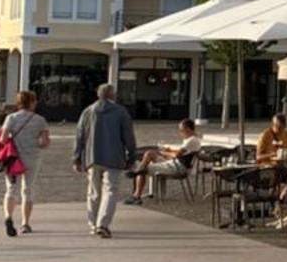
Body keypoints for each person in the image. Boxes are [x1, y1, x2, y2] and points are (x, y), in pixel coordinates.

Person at [72, 83, 137, 239]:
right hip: (114, 157)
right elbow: (128, 136)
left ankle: (93, 224)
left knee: (93, 191)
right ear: (112, 95)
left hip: (92, 157)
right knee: (110, 190)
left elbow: (79, 135)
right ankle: (103, 224)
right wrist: (132, 156)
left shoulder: (88, 111)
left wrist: (76, 158)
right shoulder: (121, 112)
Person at [0, 89, 50, 237]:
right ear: (32, 102)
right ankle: (25, 223)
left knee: (11, 189)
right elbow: (45, 142)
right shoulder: (40, 120)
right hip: (32, 157)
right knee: (28, 189)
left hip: (13, 158)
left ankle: (8, 217)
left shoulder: (11, 118)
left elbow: (3, 139)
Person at [126, 118, 203, 204]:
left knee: (143, 169)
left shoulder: (191, 141)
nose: (180, 133)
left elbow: (177, 155)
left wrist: (164, 154)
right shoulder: (193, 139)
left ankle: (136, 195)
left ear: (188, 129)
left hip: (178, 167)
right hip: (177, 164)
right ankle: (139, 171)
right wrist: (168, 150)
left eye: (181, 130)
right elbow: (181, 152)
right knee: (150, 154)